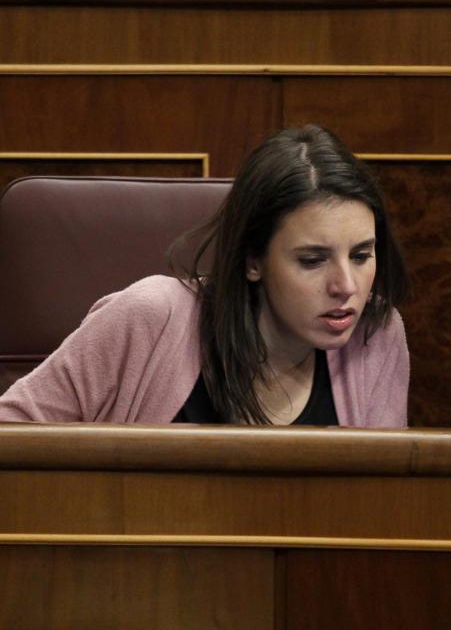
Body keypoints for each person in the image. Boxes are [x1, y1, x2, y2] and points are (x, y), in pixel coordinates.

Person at [0, 125, 411, 427]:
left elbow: (379, 503)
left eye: (361, 255)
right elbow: (13, 436)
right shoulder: (150, 316)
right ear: (253, 261)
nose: (346, 286)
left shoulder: (376, 334)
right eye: (312, 260)